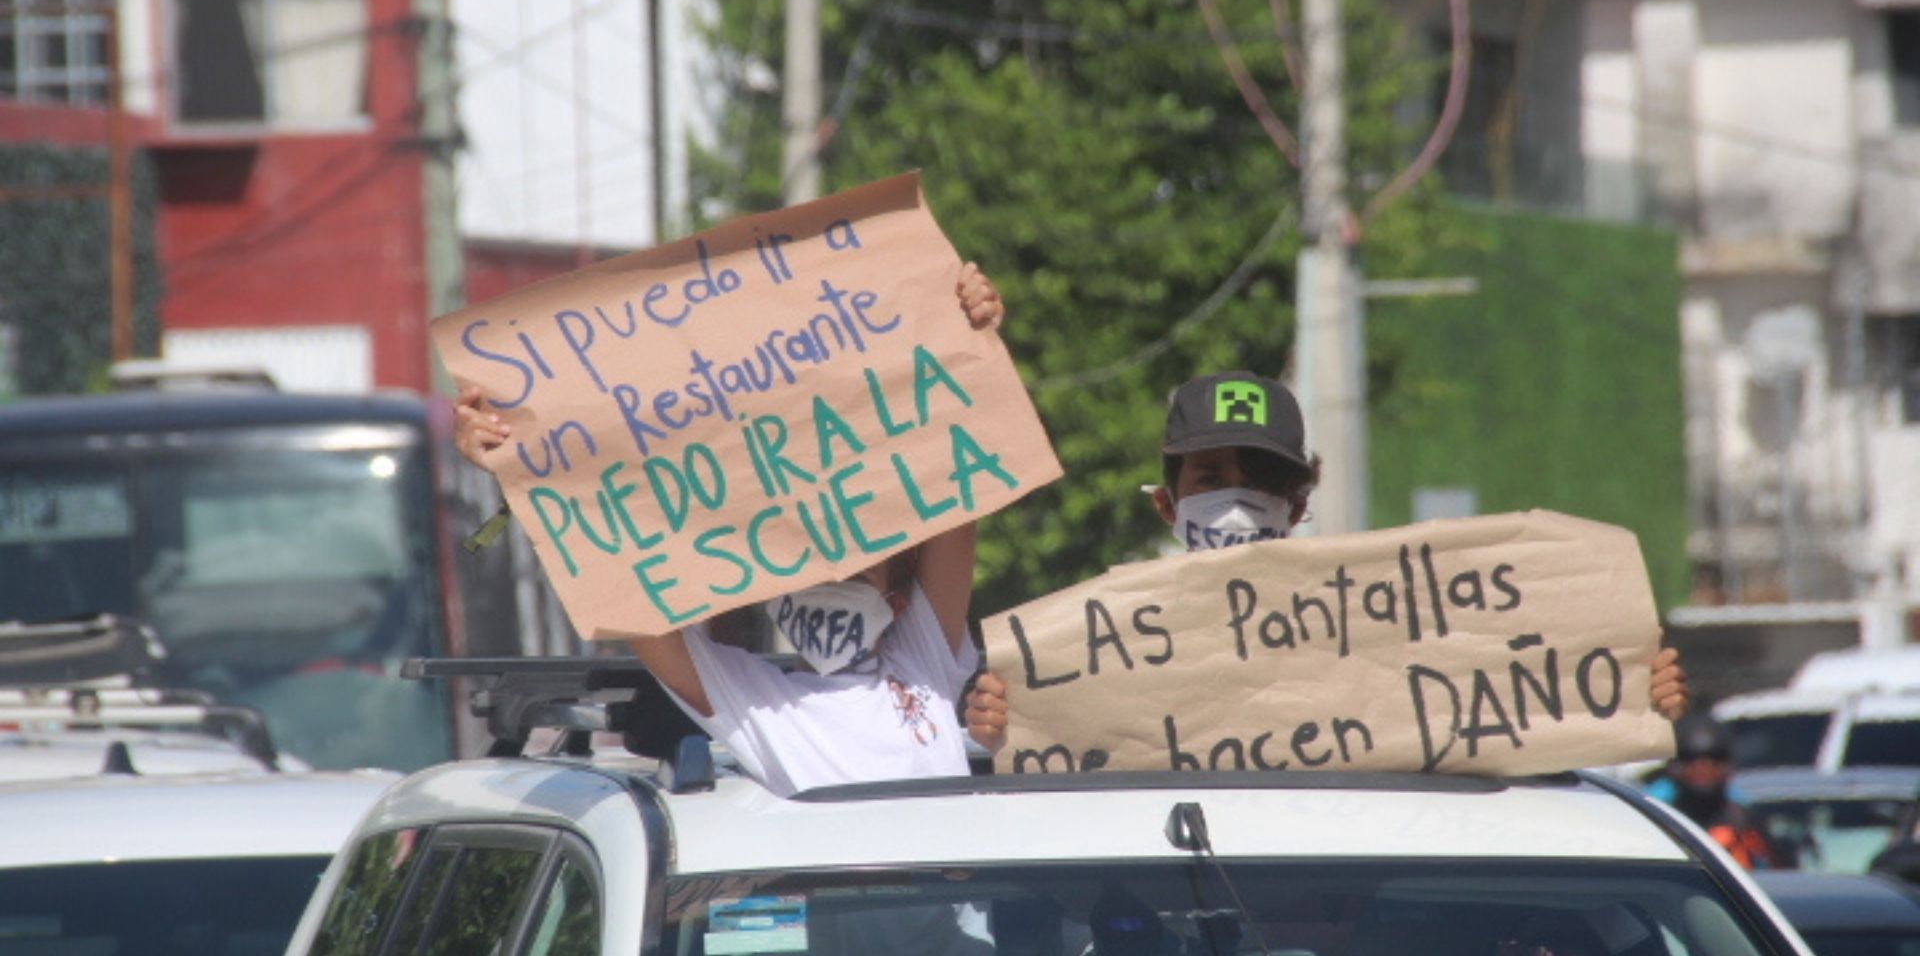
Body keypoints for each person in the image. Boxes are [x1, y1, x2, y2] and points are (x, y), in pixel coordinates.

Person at [455, 262, 1006, 798]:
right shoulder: (756, 704)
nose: (835, 567)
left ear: (900, 598)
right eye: (814, 554)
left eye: (859, 559)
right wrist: (522, 467)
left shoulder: (925, 668)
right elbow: (623, 598)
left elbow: (956, 478)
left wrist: (964, 332)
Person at [965, 369, 1692, 751]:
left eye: (1260, 480)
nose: (1237, 500)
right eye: (1212, 478)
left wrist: (1630, 689)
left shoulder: (1375, 624)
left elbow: (1489, 703)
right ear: (1167, 504)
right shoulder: (1092, 641)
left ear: (1297, 506)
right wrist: (1004, 723)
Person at [1644, 712, 1790, 868]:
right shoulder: (1652, 820)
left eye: (1715, 759)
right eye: (1690, 759)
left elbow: (1780, 871)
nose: (1703, 769)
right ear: (1673, 767)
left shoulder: (1747, 823)